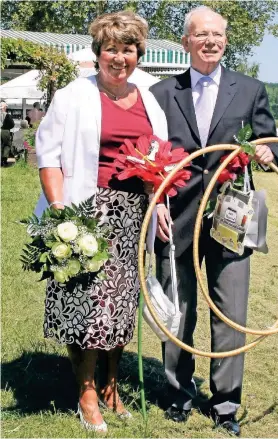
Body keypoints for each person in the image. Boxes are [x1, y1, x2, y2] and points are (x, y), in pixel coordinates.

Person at [150, 6, 278, 436]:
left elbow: (274, 144)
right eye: (201, 34)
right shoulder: (161, 93)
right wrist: (155, 203)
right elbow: (148, 156)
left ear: (226, 40)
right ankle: (177, 392)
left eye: (217, 34)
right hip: (176, 217)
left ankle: (226, 403)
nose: (210, 41)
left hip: (231, 219)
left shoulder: (249, 89)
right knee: (179, 311)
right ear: (186, 41)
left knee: (230, 313)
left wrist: (267, 152)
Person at [34, 11, 168, 433]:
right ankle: (87, 392)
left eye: (127, 49)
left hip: (132, 215)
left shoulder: (149, 98)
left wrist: (159, 199)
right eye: (111, 48)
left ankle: (111, 385)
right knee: (89, 306)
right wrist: (58, 209)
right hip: (86, 212)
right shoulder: (74, 95)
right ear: (97, 53)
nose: (119, 57)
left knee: (123, 305)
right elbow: (48, 153)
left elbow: (157, 157)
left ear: (137, 55)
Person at [0, 100, 15, 166]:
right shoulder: (7, 115)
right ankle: (4, 159)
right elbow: (12, 124)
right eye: (5, 106)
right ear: (4, 107)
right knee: (7, 145)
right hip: (5, 131)